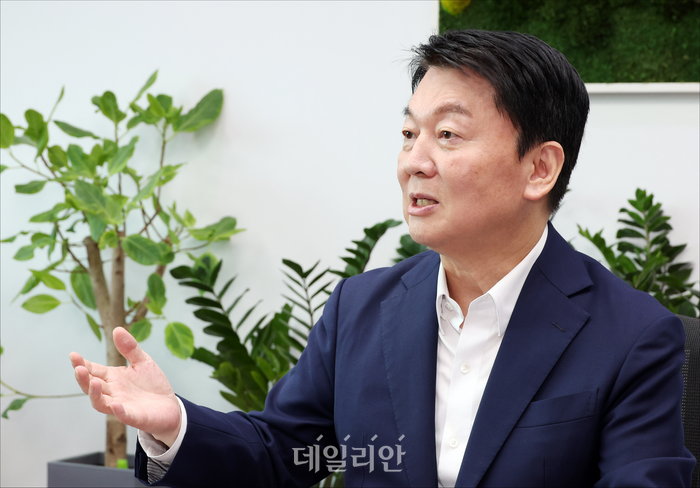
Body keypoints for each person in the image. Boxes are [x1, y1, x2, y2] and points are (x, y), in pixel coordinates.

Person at [70, 30, 695, 487]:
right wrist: (173, 423)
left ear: (540, 169)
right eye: (408, 134)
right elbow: (286, 454)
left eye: (447, 135)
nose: (414, 161)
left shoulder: (633, 336)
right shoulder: (361, 309)